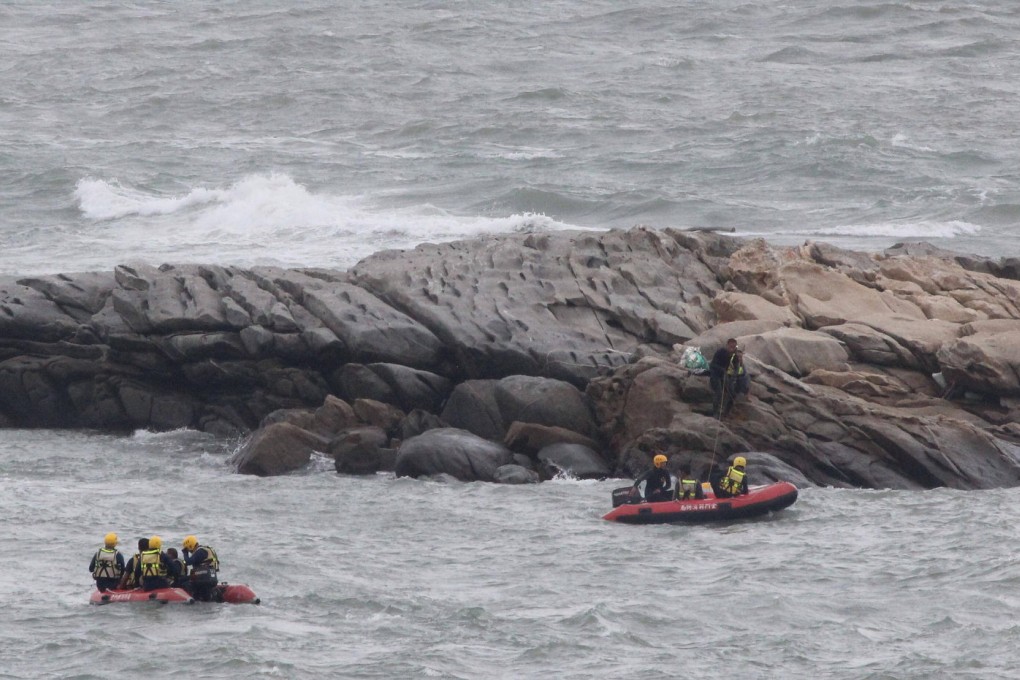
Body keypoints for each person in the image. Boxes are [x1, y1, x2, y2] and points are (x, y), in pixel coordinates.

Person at [710, 338, 750, 417]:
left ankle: (726, 411)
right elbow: (712, 365)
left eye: (733, 347)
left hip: (724, 375)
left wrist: (733, 377)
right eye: (730, 347)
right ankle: (715, 412)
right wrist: (721, 369)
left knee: (732, 392)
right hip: (715, 373)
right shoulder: (720, 352)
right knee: (719, 392)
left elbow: (736, 366)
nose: (731, 349)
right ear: (727, 345)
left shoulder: (734, 354)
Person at [182, 535, 220, 602]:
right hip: (211, 577)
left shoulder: (200, 551)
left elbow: (188, 562)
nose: (189, 551)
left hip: (203, 579)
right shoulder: (204, 549)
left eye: (188, 549)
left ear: (190, 546)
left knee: (184, 583)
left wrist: (185, 553)